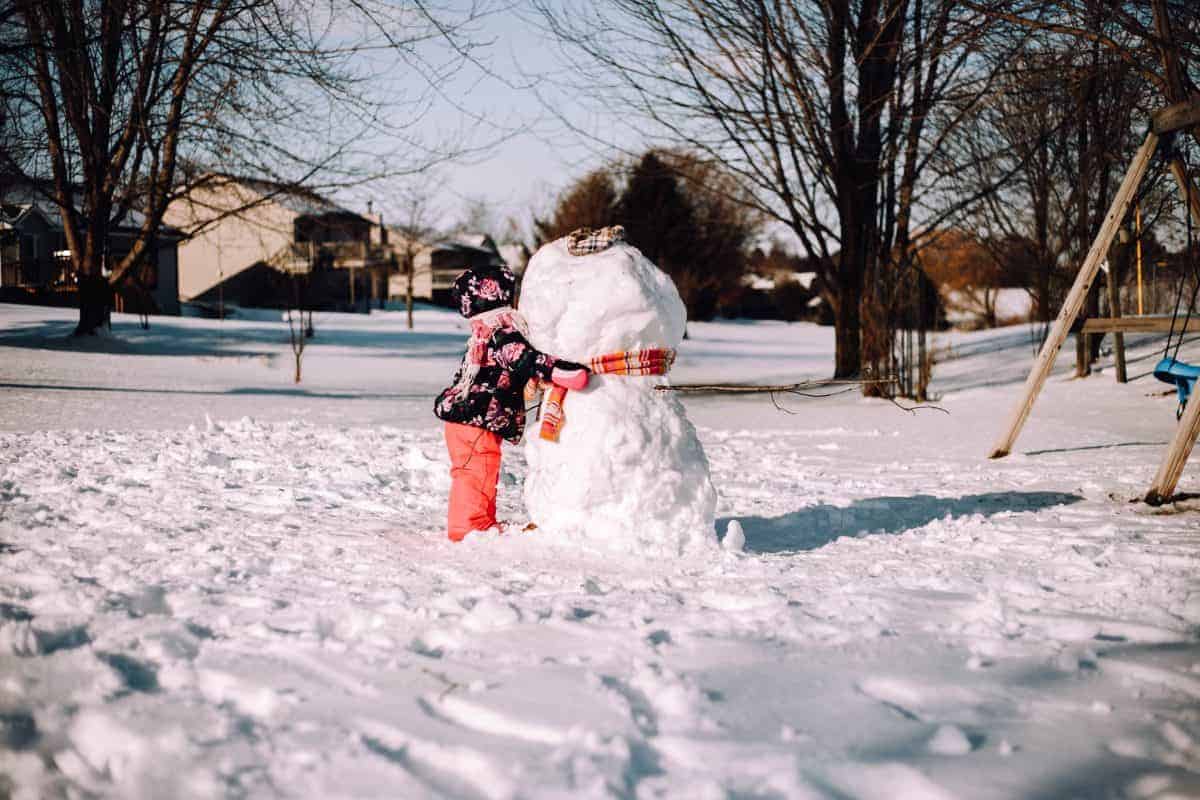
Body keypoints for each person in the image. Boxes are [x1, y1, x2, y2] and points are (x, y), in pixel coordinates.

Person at [434, 265, 589, 541]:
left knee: (473, 472)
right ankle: (469, 526)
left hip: (467, 417)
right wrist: (558, 371)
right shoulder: (501, 331)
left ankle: (478, 520)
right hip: (475, 419)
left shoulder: (483, 331)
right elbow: (523, 358)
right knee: (476, 473)